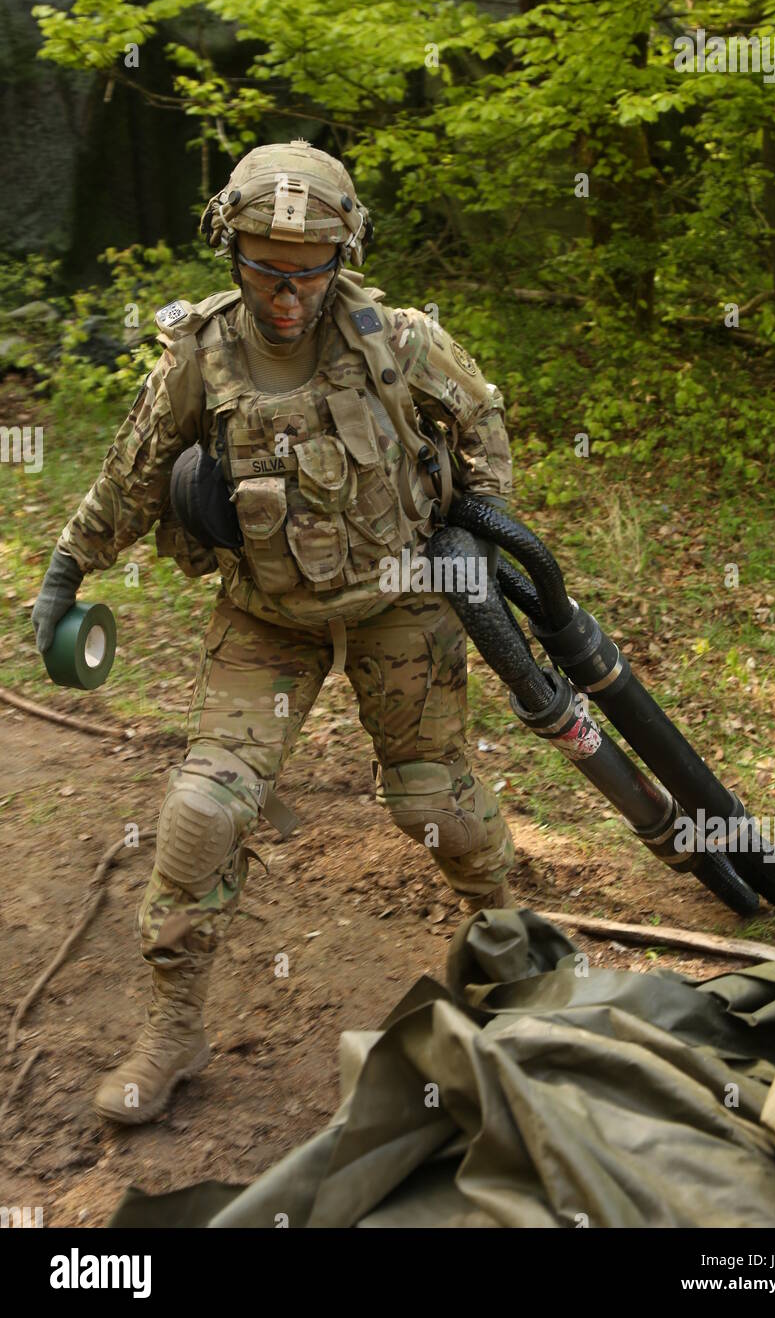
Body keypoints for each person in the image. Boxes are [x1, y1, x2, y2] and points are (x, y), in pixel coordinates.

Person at [31, 141, 516, 1125]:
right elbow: (131, 475)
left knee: (442, 808)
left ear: (343, 254)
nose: (285, 291)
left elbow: (482, 423)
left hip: (397, 604)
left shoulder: (402, 340)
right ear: (227, 247)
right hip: (266, 622)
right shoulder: (197, 356)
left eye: (307, 268)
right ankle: (172, 1028)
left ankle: (511, 965)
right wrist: (66, 568)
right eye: (261, 264)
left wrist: (481, 525)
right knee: (204, 811)